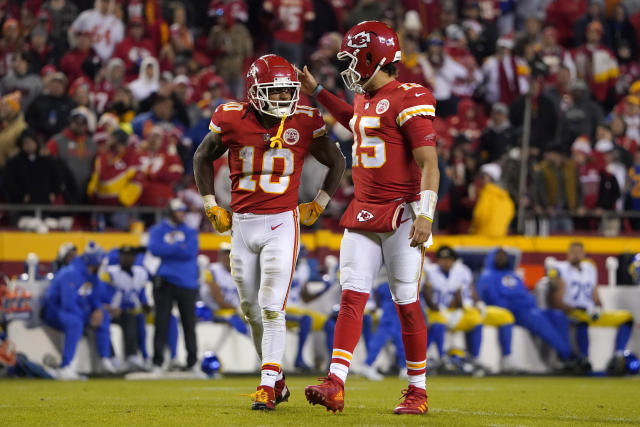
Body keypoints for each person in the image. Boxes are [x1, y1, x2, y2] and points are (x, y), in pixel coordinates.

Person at [297, 21, 438, 414]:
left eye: (352, 58)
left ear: (372, 56)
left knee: (406, 302)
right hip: (363, 210)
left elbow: (430, 163)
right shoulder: (365, 97)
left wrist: (425, 214)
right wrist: (319, 93)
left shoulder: (409, 97)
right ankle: (336, 382)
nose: (348, 66)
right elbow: (356, 121)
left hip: (403, 214)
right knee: (351, 298)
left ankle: (417, 391)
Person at [193, 54, 345, 410]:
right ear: (255, 91)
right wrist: (210, 204)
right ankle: (276, 379)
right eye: (274, 92)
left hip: (281, 222)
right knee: (249, 309)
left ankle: (265, 385)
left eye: (286, 92)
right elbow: (202, 156)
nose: (282, 99)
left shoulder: (304, 119)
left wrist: (320, 202)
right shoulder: (230, 116)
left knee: (272, 306)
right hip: (242, 225)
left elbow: (337, 160)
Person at [476, 248, 588, 372]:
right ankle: (568, 355)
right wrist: (517, 304)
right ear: (492, 258)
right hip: (513, 311)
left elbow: (525, 293)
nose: (502, 258)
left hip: (528, 308)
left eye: (503, 256)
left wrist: (528, 302)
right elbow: (492, 299)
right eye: (499, 256)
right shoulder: (487, 276)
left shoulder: (513, 275)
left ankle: (561, 357)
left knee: (557, 315)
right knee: (536, 318)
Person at [423, 246, 515, 373]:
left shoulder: (462, 271)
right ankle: (429, 359)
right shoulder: (429, 271)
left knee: (484, 319)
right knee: (438, 323)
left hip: (462, 309)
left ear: (454, 260)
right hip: (438, 310)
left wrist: (479, 303)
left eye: (449, 259)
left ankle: (477, 358)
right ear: (437, 260)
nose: (446, 262)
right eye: (443, 259)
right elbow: (426, 293)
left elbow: (471, 291)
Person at [547, 242, 634, 367]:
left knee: (627, 317)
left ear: (583, 254)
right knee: (582, 321)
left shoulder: (590, 269)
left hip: (590, 311)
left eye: (578, 252)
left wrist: (598, 308)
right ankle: (584, 358)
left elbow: (595, 296)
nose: (576, 256)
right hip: (573, 311)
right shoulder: (560, 269)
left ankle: (618, 355)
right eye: (573, 252)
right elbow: (557, 301)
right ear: (567, 254)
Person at [41, 241, 114, 380]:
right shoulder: (70, 272)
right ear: (94, 262)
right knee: (75, 322)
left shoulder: (91, 275)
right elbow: (67, 303)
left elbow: (94, 297)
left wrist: (97, 310)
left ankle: (105, 359)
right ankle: (67, 366)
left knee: (103, 316)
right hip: (54, 311)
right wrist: (88, 317)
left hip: (76, 310)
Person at [148, 198, 199, 373]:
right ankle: (157, 362)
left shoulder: (190, 231)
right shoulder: (158, 230)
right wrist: (179, 247)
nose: (182, 215)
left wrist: (170, 248)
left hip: (187, 282)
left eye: (183, 211)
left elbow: (191, 251)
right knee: (161, 323)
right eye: (179, 211)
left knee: (189, 325)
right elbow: (155, 249)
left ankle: (192, 363)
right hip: (166, 281)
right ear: (170, 212)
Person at [100, 245, 151, 371]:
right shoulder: (110, 273)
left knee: (134, 318)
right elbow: (102, 296)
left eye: (131, 256)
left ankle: (137, 356)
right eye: (125, 256)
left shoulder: (140, 273)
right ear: (119, 257)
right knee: (105, 322)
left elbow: (141, 294)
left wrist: (145, 305)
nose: (128, 258)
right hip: (109, 311)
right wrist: (111, 308)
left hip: (127, 312)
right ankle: (111, 357)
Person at [197, 245, 248, 338]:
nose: (227, 257)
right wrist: (237, 309)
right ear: (219, 256)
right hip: (217, 310)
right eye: (224, 254)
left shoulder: (240, 272)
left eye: (229, 254)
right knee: (242, 326)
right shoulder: (213, 270)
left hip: (237, 310)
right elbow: (218, 299)